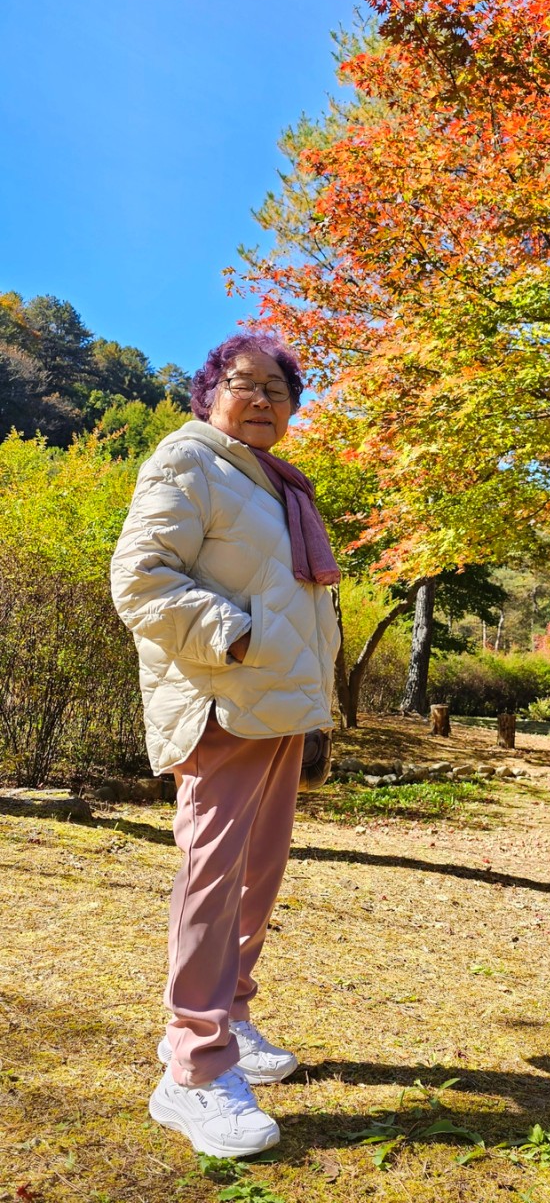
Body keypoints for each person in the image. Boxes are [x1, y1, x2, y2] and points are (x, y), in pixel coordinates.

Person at [111, 332, 341, 1158]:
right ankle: (194, 1069)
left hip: (275, 707)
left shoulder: (277, 484)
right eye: (245, 384)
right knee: (213, 877)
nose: (264, 400)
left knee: (257, 872)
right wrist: (237, 639)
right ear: (209, 392)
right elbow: (141, 578)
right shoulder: (188, 460)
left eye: (279, 389)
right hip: (220, 700)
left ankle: (231, 1020)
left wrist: (301, 686)